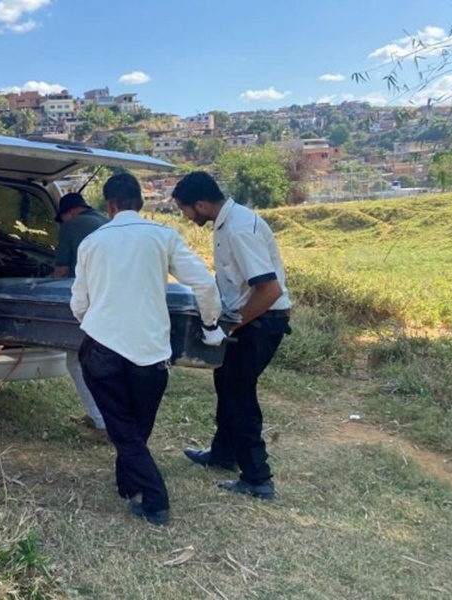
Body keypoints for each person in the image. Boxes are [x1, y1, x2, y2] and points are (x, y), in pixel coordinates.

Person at [71, 172, 222, 526]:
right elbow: (203, 284)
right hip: (151, 350)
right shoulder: (164, 236)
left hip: (102, 348)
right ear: (140, 202)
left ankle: (153, 499)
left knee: (123, 428)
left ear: (109, 206)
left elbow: (79, 302)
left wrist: (93, 322)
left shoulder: (92, 243)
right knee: (137, 426)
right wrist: (211, 327)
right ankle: (128, 484)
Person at [171, 171, 292, 501]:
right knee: (226, 387)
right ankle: (223, 455)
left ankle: (258, 478)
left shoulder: (239, 229)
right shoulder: (227, 222)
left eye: (184, 209)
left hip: (261, 323)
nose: (185, 216)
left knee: (240, 396)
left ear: (200, 204)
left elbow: (268, 290)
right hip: (250, 320)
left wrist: (226, 328)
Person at [51, 192, 108, 442]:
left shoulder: (71, 226)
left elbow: (62, 271)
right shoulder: (108, 222)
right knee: (103, 361)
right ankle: (102, 414)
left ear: (69, 213)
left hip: (86, 304)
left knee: (74, 361)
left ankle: (102, 421)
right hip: (110, 303)